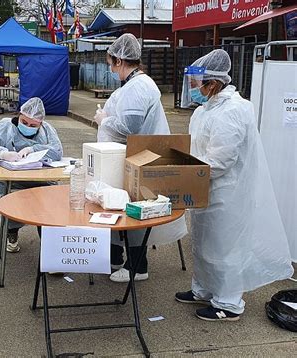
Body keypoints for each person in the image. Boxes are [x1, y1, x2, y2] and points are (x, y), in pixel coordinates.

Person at [176, 49, 293, 321]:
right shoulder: (207, 109)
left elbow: (220, 162)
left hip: (226, 194)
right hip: (204, 188)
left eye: (197, 84)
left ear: (213, 84)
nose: (193, 89)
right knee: (202, 243)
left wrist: (186, 173)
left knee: (224, 249)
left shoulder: (233, 111)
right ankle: (203, 289)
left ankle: (228, 303)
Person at [93, 33, 188, 283]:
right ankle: (114, 258)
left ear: (120, 60)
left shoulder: (139, 86)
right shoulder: (134, 85)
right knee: (116, 206)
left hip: (142, 160)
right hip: (133, 157)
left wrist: (105, 120)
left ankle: (137, 266)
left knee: (133, 209)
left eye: (111, 62)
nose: (111, 68)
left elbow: (129, 126)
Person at [0, 97, 63, 253]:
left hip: (40, 179)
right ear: (19, 116)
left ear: (41, 124)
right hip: (10, 178)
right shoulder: (5, 126)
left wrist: (33, 149)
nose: (28, 127)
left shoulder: (47, 130)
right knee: (8, 201)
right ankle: (11, 232)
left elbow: (57, 151)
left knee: (50, 203)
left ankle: (51, 248)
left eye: (33, 125)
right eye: (24, 122)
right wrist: (3, 153)